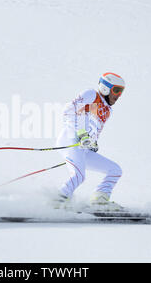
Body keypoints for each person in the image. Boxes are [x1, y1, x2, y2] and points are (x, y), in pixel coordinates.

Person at [55, 72, 125, 211]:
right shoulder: (91, 95)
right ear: (105, 87)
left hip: (83, 148)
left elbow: (91, 124)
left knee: (115, 170)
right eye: (116, 90)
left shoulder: (107, 110)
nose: (118, 95)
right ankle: (58, 201)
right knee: (79, 176)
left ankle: (99, 200)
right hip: (70, 141)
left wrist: (92, 142)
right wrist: (81, 135)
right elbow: (69, 111)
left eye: (121, 92)